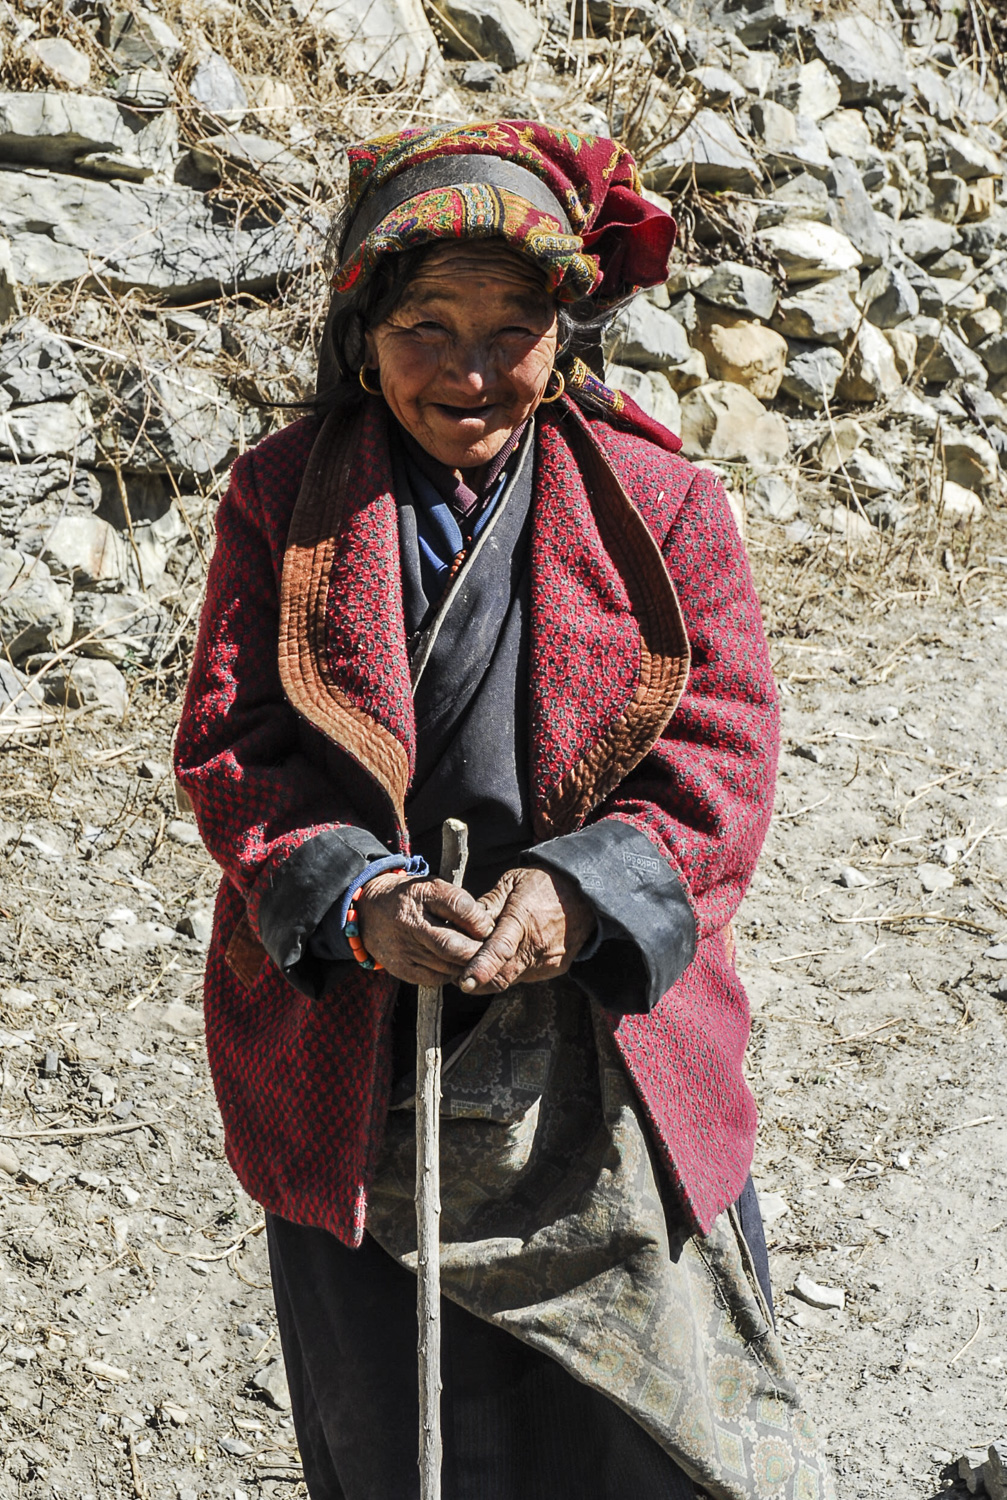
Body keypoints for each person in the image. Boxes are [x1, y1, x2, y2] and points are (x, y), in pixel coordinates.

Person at [174, 120, 835, 1500]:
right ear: (365, 332)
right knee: (405, 1438)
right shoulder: (283, 497)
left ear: (563, 331)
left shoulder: (664, 506)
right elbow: (234, 744)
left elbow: (721, 756)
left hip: (601, 1053)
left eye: (512, 327)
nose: (470, 374)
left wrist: (574, 894)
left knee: (650, 1441)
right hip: (366, 1048)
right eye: (426, 326)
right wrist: (357, 894)